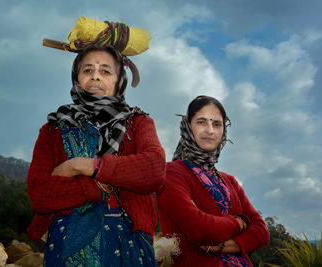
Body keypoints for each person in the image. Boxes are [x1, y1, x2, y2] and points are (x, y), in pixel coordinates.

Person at [26, 20, 165, 266]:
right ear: (76, 77)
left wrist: (82, 166)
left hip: (127, 242)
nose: (95, 77)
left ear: (119, 79)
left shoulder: (138, 123)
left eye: (105, 71)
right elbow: (40, 193)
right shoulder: (54, 128)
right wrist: (93, 189)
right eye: (87, 70)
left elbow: (153, 170)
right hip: (67, 240)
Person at [157, 95, 269, 266]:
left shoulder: (229, 181)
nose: (210, 130)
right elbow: (200, 230)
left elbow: (262, 232)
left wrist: (221, 246)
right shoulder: (171, 173)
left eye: (217, 124)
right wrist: (241, 222)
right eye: (201, 122)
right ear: (188, 127)